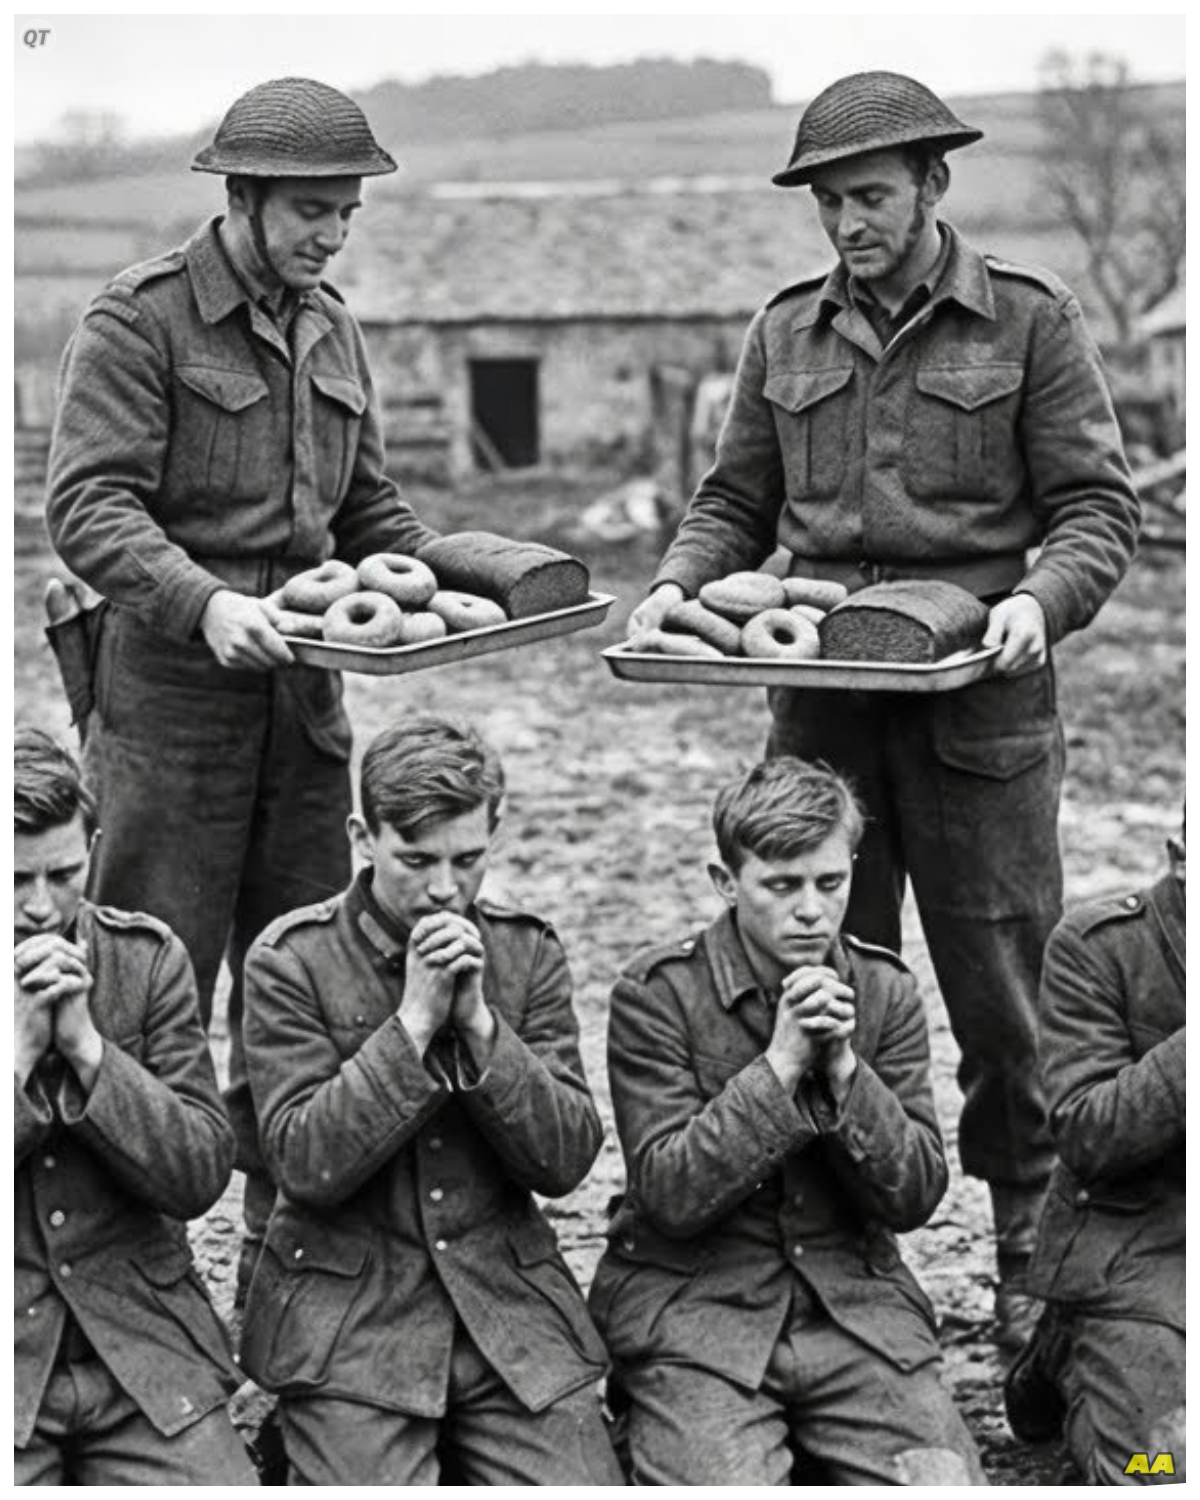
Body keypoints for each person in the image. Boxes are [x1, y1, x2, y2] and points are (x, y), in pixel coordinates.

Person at [627, 69, 1141, 1347]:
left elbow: (1096, 508)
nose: (848, 223)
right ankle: (842, 1237)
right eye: (829, 204)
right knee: (816, 971)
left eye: (869, 197)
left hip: (980, 708)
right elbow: (735, 500)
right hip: (824, 717)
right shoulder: (785, 333)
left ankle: (1028, 1252)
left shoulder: (1028, 318)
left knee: (1005, 995)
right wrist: (678, 585)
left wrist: (1042, 605)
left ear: (932, 184)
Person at [44, 76, 441, 1300]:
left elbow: (366, 510)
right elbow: (88, 506)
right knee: (146, 984)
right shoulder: (141, 321)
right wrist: (206, 603)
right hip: (169, 711)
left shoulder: (333, 328)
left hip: (303, 713)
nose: (333, 236)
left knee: (308, 984)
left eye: (347, 213)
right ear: (246, 196)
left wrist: (457, 583)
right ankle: (126, 1270)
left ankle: (294, 1265)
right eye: (313, 211)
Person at [237, 715, 624, 1485]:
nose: (445, 888)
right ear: (363, 837)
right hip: (349, 1322)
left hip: (505, 1317)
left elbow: (565, 1161)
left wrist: (482, 1028)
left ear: (493, 835)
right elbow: (304, 1163)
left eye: (468, 859)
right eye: (415, 860)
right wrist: (412, 1023)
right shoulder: (292, 960)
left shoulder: (526, 953)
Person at [590, 756, 987, 1484]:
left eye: (830, 883)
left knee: (943, 1483)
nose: (811, 910)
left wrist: (845, 1072)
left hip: (853, 1315)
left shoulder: (884, 991)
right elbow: (670, 1194)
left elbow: (915, 1196)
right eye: (781, 885)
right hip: (700, 1318)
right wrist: (779, 1067)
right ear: (725, 882)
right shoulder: (659, 995)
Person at [13, 728, 256, 1486]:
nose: (40, 907)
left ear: (95, 849)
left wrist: (91, 1051)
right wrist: (18, 1058)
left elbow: (198, 1176)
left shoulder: (146, 962)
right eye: (14, 878)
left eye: (63, 873)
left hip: (144, 1355)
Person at [1005, 825, 1185, 1485]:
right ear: (1182, 859)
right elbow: (1087, 1133)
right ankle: (1070, 1359)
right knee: (1163, 1471)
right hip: (1136, 1257)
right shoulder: (1098, 947)